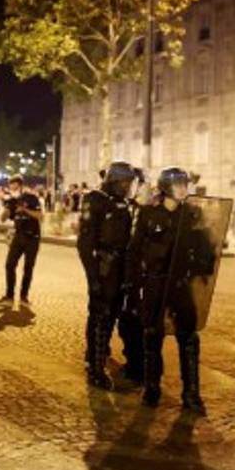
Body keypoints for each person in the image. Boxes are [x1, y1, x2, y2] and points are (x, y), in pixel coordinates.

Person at [128, 167, 216, 414]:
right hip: (156, 283)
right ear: (166, 187)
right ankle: (152, 387)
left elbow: (207, 249)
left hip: (181, 284)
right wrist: (132, 284)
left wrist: (202, 266)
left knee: (188, 339)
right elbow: (135, 251)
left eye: (184, 184)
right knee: (152, 336)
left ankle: (191, 395)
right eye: (178, 184)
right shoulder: (148, 215)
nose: (183, 188)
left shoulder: (192, 215)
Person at [76, 161, 143, 390]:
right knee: (100, 316)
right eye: (124, 182)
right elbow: (85, 243)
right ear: (114, 181)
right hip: (104, 267)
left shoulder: (126, 203)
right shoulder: (95, 200)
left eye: (129, 183)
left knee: (112, 314)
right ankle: (95, 368)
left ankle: (99, 352)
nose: (127, 187)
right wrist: (92, 277)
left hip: (122, 268)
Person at [0, 175, 43, 303]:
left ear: (18, 184)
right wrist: (7, 208)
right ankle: (9, 295)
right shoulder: (12, 200)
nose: (10, 188)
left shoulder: (31, 197)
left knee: (28, 268)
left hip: (32, 237)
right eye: (9, 186)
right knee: (9, 265)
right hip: (18, 236)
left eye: (12, 185)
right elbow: (2, 219)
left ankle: (24, 296)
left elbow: (39, 215)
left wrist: (24, 209)